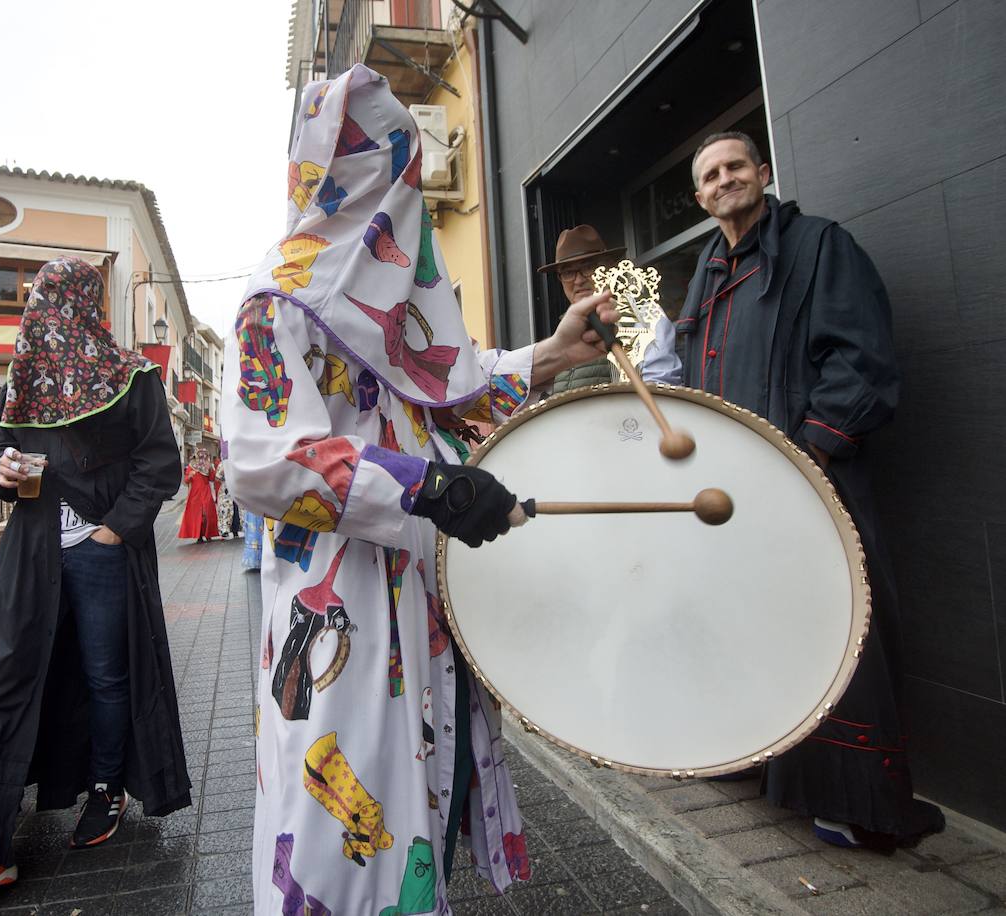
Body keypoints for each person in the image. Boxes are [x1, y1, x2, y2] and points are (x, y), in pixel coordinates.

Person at [224, 65, 618, 913]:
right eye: (378, 165)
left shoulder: (406, 309)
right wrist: (425, 488)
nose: (396, 192)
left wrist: (554, 353)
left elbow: (458, 387)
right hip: (339, 603)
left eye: (403, 168)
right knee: (340, 817)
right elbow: (261, 458)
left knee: (426, 796)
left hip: (426, 587)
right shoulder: (275, 301)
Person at [674, 130, 942, 851]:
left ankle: (854, 805)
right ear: (699, 198)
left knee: (832, 632)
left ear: (763, 173)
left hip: (812, 481)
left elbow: (860, 361)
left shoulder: (823, 246)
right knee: (749, 627)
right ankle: (755, 763)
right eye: (710, 175)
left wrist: (806, 454)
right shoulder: (705, 274)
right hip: (734, 495)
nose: (725, 179)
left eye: (736, 166)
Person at [0, 257, 190, 897]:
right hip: (30, 549)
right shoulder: (24, 375)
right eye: (39, 294)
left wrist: (114, 530)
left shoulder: (133, 377)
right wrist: (2, 469)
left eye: (61, 295)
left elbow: (158, 464)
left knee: (106, 674)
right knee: (2, 677)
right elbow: (2, 449)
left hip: (101, 548)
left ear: (88, 303)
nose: (46, 306)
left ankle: (106, 789)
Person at [538, 225, 682, 389]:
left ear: (610, 267)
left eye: (588, 267)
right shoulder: (563, 330)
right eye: (567, 273)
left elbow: (661, 388)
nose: (578, 280)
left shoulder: (642, 315)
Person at [178, 449, 220, 542]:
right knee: (197, 516)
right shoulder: (192, 465)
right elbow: (186, 480)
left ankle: (208, 534)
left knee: (208, 513)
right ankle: (199, 536)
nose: (202, 458)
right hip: (195, 494)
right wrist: (190, 476)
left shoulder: (207, 466)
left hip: (205, 492)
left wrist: (210, 468)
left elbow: (212, 479)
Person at [216, 462, 241, 538]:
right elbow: (217, 477)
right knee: (225, 511)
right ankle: (225, 530)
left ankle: (235, 530)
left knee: (236, 510)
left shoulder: (236, 462)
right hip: (225, 490)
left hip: (235, 489)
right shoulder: (222, 464)